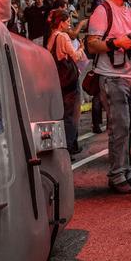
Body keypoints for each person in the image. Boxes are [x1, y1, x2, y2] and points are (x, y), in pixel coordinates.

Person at [85, 0, 131, 194]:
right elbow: (92, 43)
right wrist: (115, 43)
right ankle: (117, 175)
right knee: (118, 127)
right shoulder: (103, 11)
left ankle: (126, 172)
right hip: (112, 78)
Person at [46, 8, 82, 156]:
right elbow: (75, 57)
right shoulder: (63, 37)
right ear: (61, 23)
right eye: (67, 22)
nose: (69, 24)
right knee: (71, 114)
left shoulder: (52, 36)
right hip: (69, 80)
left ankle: (64, 145)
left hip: (58, 79)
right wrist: (81, 48)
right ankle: (69, 147)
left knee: (61, 114)